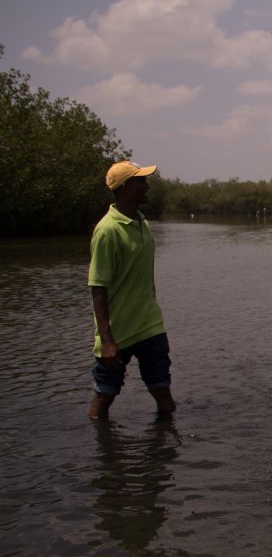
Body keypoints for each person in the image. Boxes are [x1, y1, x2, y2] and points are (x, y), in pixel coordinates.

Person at [87, 160, 176, 419]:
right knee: (105, 395)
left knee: (163, 393)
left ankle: (165, 451)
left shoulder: (142, 224)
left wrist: (156, 320)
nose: (147, 186)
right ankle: (102, 454)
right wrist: (107, 341)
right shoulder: (107, 231)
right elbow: (98, 287)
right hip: (118, 331)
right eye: (141, 181)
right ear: (125, 188)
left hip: (149, 326)